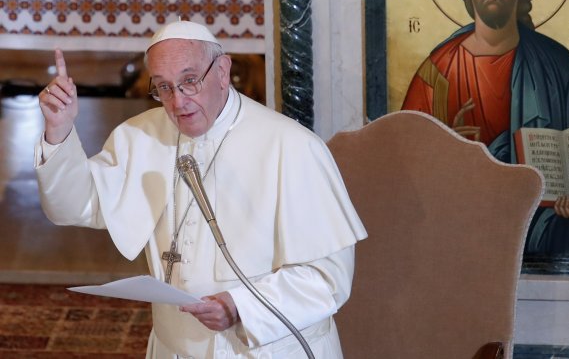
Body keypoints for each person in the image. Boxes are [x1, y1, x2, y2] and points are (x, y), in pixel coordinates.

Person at [34, 20, 367, 358]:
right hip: (175, 349)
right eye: (163, 87)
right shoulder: (140, 137)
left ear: (223, 71)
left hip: (270, 349)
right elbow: (73, 206)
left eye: (189, 81)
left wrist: (239, 307)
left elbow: (328, 278)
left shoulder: (292, 146)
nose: (178, 102)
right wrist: (58, 131)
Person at [401, 0, 569, 254]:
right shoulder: (436, 73)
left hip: (538, 236)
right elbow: (406, 175)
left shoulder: (561, 69)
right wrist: (449, 152)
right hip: (460, 239)